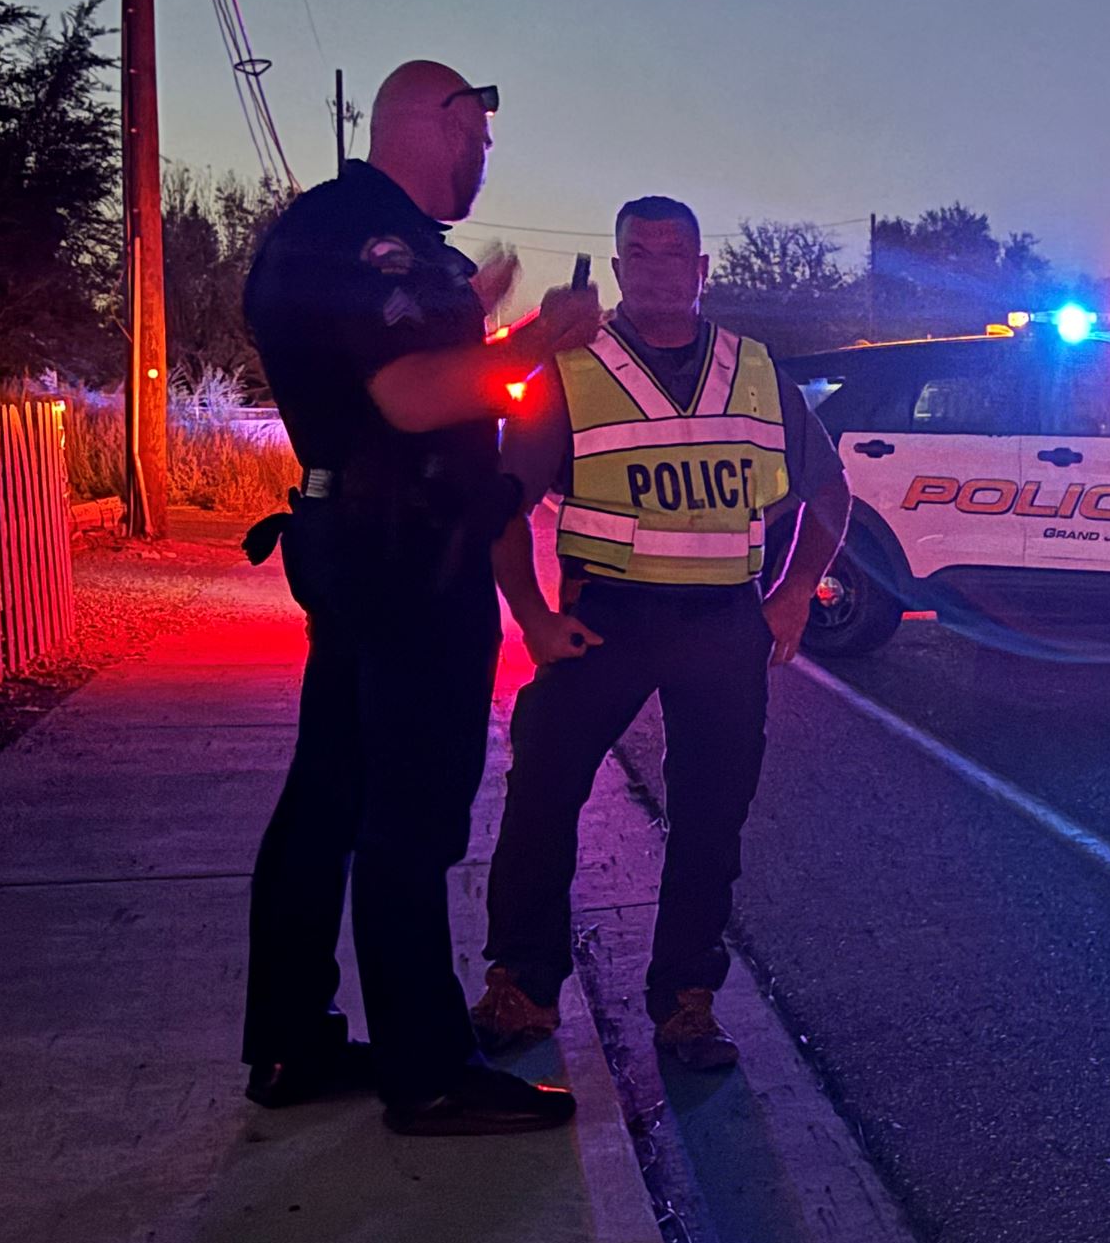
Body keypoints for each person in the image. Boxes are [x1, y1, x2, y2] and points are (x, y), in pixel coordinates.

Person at [240, 60, 604, 1134]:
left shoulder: (344, 232)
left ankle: (290, 1042)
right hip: (403, 553)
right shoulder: (371, 236)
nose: (485, 163)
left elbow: (385, 367)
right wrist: (541, 337)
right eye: (478, 140)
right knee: (411, 814)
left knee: (331, 800)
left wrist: (475, 321)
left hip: (360, 537)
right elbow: (406, 396)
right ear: (438, 121)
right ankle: (426, 1071)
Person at [471, 195, 849, 1071]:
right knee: (542, 792)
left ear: (703, 270)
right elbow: (500, 509)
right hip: (606, 622)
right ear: (616, 268)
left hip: (724, 621)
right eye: (638, 256)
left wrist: (793, 594)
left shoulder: (758, 374)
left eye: (674, 255)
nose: (657, 270)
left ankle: (686, 1000)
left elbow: (830, 498)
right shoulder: (572, 372)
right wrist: (532, 616)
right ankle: (522, 985)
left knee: (713, 815)